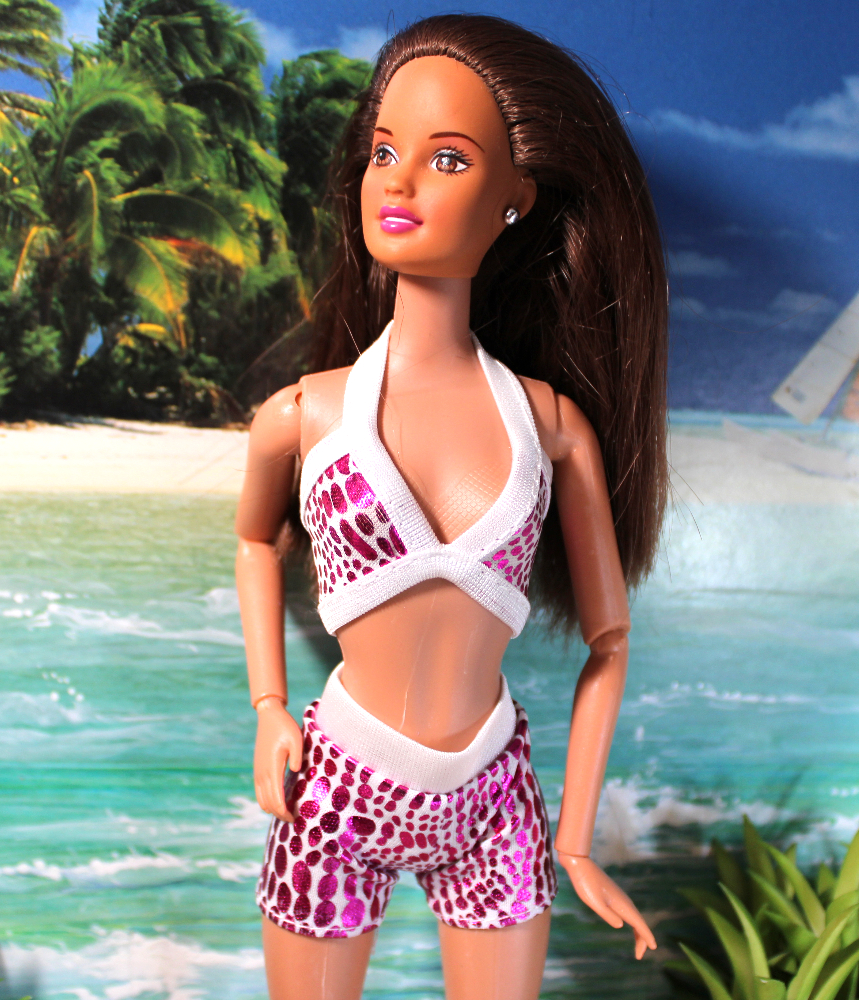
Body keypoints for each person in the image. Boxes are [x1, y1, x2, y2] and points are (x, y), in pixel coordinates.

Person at [235, 14, 668, 1000]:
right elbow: (256, 540)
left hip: (492, 795)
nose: (398, 183)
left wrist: (574, 840)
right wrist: (268, 707)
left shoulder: (551, 427)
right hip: (336, 783)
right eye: (384, 152)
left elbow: (609, 641)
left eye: (447, 158)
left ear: (515, 198)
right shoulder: (305, 414)